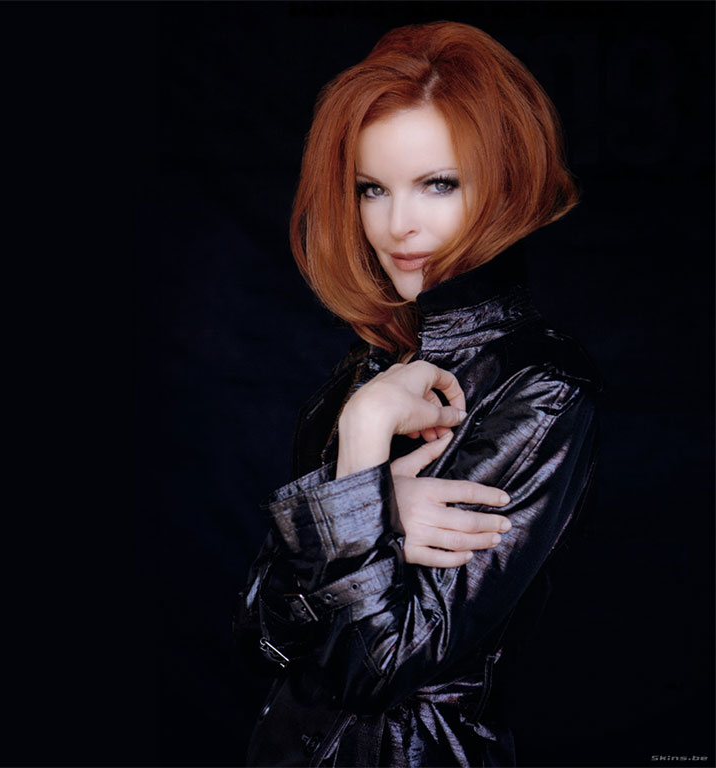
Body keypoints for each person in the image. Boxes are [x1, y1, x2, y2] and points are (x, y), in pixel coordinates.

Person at [233, 21, 602, 767]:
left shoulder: (542, 388)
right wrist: (378, 508)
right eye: (373, 189)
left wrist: (365, 442)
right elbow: (261, 640)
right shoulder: (373, 361)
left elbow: (375, 668)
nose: (398, 225)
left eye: (439, 184)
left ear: (505, 182)